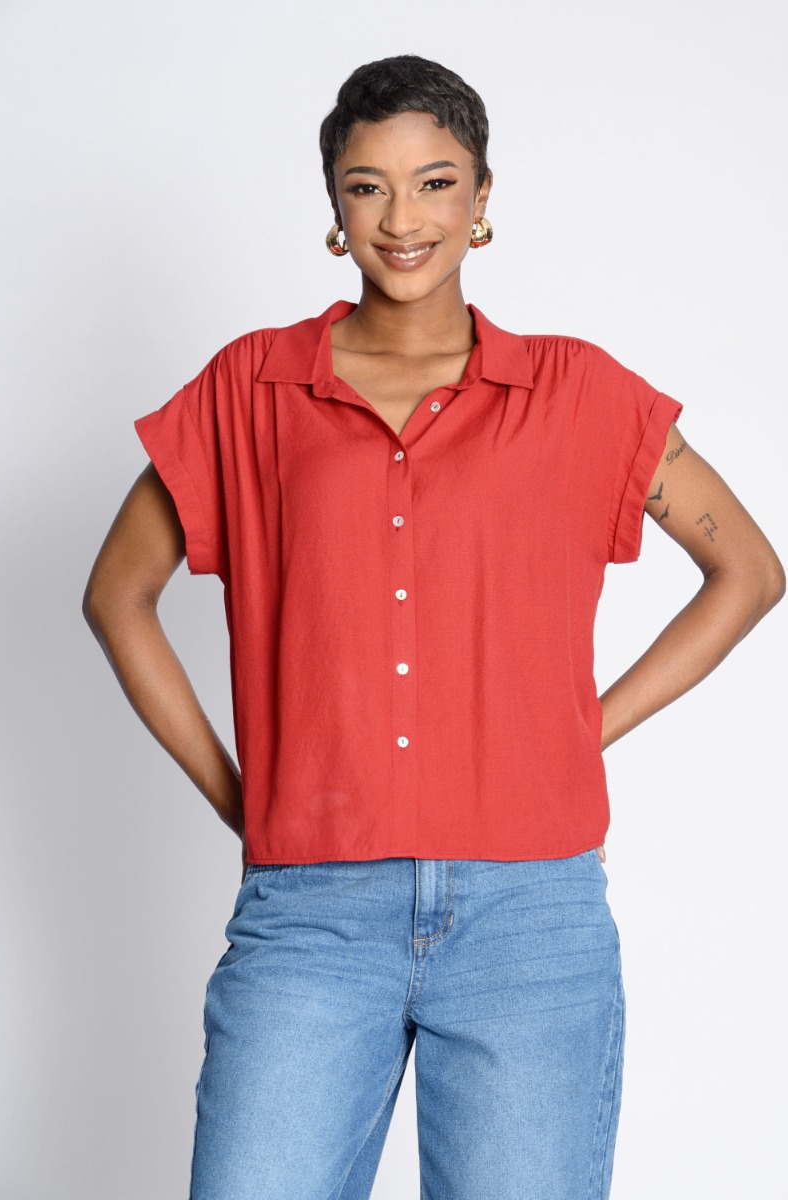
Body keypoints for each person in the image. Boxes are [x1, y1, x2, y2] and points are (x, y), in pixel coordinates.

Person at [82, 54, 785, 1200]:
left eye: (435, 182)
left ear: (483, 196)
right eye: (368, 187)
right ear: (334, 204)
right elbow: (118, 595)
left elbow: (748, 572)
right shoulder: (251, 387)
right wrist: (237, 793)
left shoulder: (577, 392)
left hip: (530, 921)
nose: (402, 219)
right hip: (310, 917)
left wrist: (581, 728)